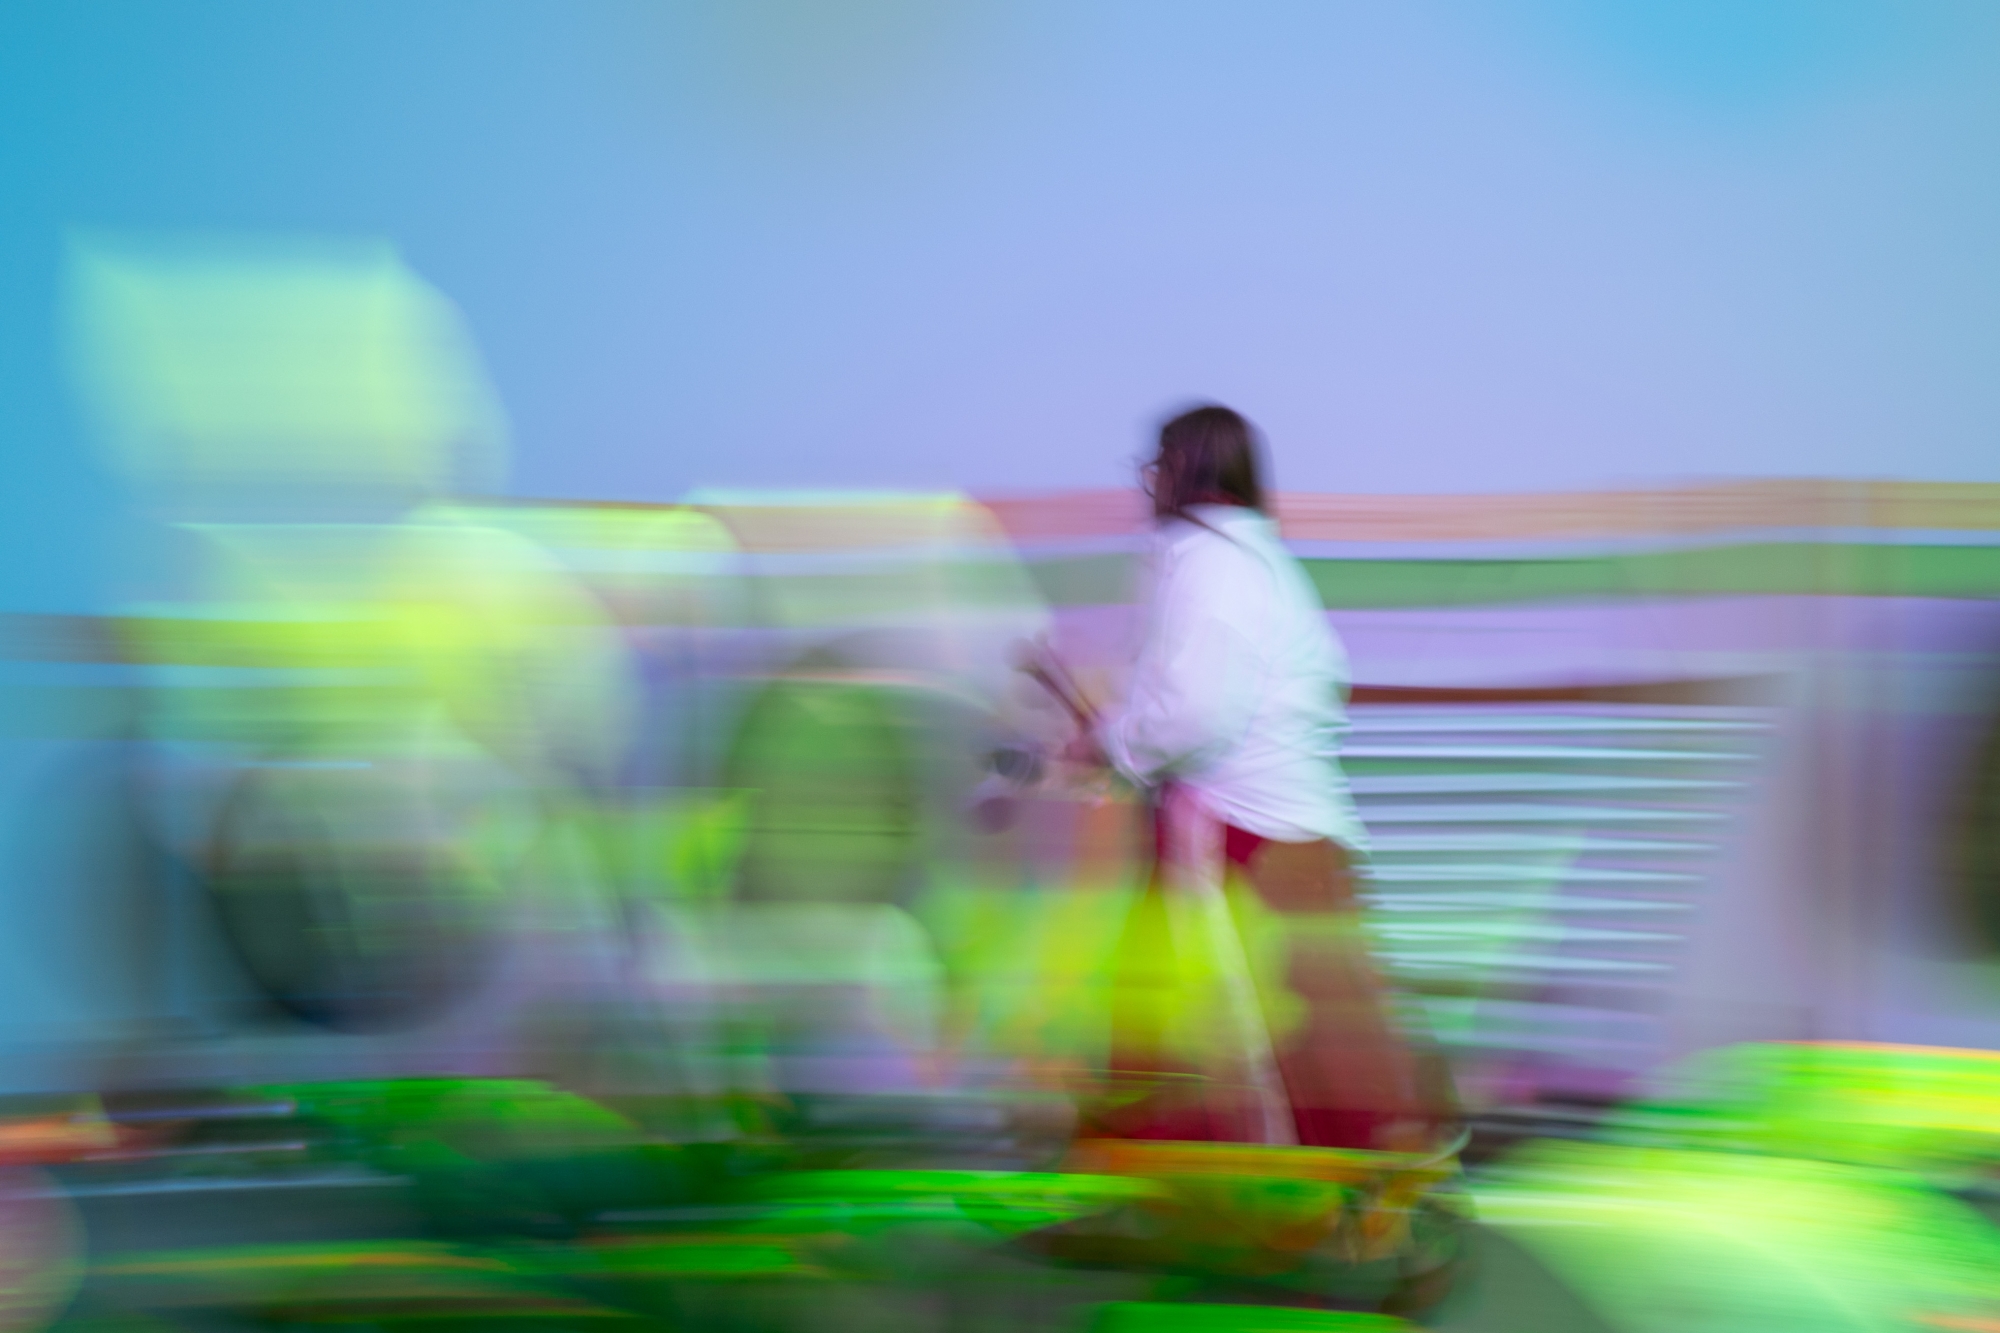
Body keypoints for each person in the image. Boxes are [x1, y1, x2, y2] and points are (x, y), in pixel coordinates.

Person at [1073, 403, 1444, 1152]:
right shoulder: (1266, 562)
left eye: (1156, 466)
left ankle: (1174, 1176)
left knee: (1206, 1019)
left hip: (1236, 833)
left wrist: (1113, 740)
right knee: (1331, 1024)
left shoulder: (1203, 558)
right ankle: (1384, 1183)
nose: (1149, 484)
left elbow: (1194, 714)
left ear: (1183, 468)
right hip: (1300, 828)